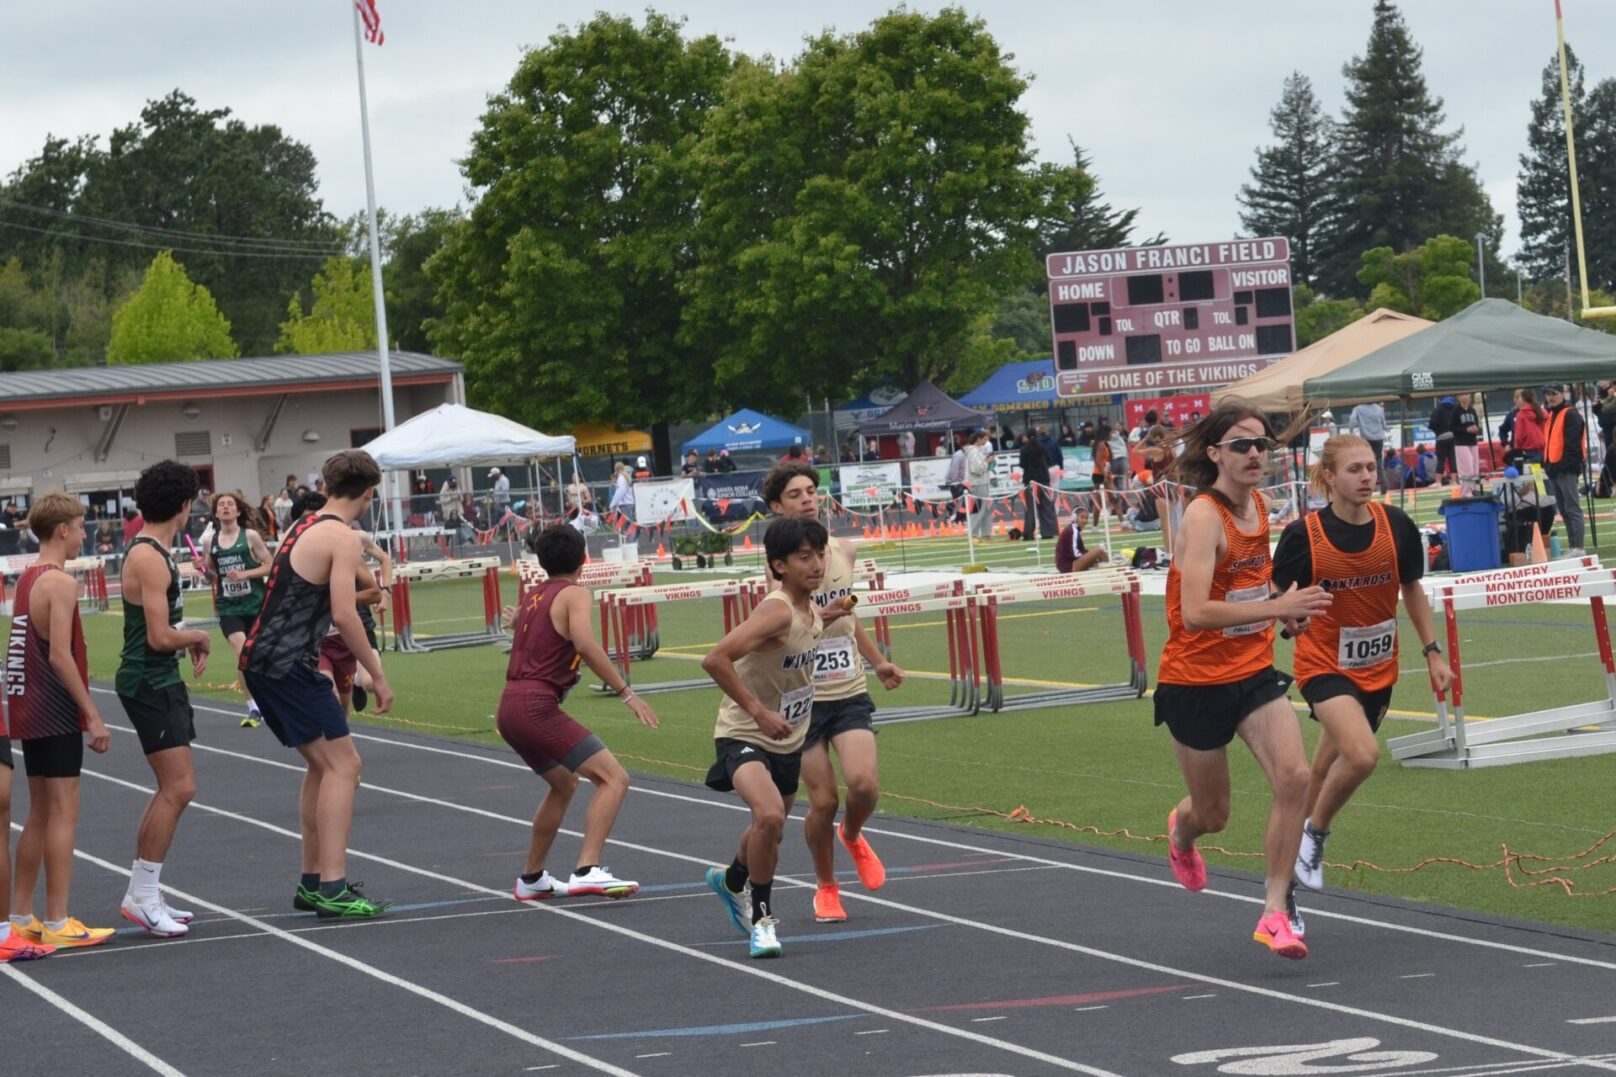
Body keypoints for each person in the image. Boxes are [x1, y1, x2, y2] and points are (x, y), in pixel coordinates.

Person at [1154, 399, 1332, 960]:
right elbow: (1197, 612)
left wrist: (1285, 611)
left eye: (1262, 444)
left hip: (1252, 671)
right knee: (1213, 815)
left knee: (1295, 777)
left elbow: (1251, 587)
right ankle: (1182, 832)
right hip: (1195, 680)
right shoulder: (1204, 516)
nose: (1256, 454)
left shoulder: (1259, 503)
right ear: (1215, 454)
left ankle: (1275, 911)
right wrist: (1279, 607)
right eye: (1242, 445)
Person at [1272, 435, 1453, 933]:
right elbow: (1278, 595)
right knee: (1363, 755)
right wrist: (1289, 617)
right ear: (1329, 477)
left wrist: (1433, 652)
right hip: (1323, 665)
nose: (1367, 477)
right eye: (1354, 469)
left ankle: (1284, 888)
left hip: (1378, 670)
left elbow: (1411, 587)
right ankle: (1315, 835)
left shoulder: (1396, 526)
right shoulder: (1304, 535)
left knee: (1321, 770)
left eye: (1371, 467)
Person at [241, 451, 395, 920]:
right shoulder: (341, 537)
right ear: (369, 494)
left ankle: (313, 882)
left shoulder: (302, 526)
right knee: (345, 765)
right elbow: (346, 615)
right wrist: (378, 674)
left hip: (267, 659)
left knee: (323, 766)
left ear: (327, 486)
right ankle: (332, 887)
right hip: (286, 664)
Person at [762, 463, 904, 923]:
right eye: (795, 494)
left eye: (811, 491)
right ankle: (826, 886)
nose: (807, 499)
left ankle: (853, 833)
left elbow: (847, 617)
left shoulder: (844, 550)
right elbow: (789, 620)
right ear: (776, 507)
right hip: (802, 698)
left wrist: (877, 660)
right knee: (822, 801)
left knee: (864, 785)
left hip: (848, 689)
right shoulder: (777, 566)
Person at [498, 524, 659, 901]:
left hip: (509, 707)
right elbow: (585, 644)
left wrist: (515, 620)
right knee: (614, 778)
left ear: (542, 561)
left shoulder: (535, 594)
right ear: (584, 558)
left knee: (564, 783)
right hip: (535, 706)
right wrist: (627, 693)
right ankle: (588, 869)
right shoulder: (575, 593)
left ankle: (532, 878)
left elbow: (536, 629)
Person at [700, 516, 827, 959]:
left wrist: (832, 613)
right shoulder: (776, 610)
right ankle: (763, 921)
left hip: (789, 739)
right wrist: (758, 711)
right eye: (804, 557)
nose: (817, 564)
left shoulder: (810, 609)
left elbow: (796, 638)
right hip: (744, 732)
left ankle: (731, 879)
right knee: (770, 816)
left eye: (820, 554)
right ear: (779, 565)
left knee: (768, 832)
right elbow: (715, 659)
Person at [5, 493, 114, 952]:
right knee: (64, 810)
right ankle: (57, 918)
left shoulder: (27, 578)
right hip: (53, 709)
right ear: (63, 529)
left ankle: (20, 915)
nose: (84, 534)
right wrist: (92, 713)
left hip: (26, 705)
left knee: (39, 811)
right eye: (81, 526)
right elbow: (59, 656)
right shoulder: (60, 582)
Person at [115, 461, 213, 938]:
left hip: (157, 678)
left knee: (170, 788)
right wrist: (197, 636)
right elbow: (157, 636)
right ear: (184, 505)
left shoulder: (154, 551)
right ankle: (144, 895)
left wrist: (184, 636)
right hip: (148, 680)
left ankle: (143, 892)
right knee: (179, 788)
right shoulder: (150, 556)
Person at [193, 491, 272, 729]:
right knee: (242, 653)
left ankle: (271, 698)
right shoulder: (210, 541)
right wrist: (202, 569)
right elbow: (211, 577)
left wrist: (246, 573)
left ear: (238, 511)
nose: (226, 507)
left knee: (260, 655)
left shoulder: (250, 536)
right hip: (229, 607)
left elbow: (271, 565)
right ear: (216, 513)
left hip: (256, 604)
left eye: (230, 504)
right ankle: (253, 707)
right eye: (221, 505)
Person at [1542, 384, 1587, 555]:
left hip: (1565, 470)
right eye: (1547, 394)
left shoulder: (1570, 414)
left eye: (1553, 393)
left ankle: (1578, 547)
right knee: (1564, 510)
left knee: (1572, 509)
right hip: (1555, 469)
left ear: (1562, 394)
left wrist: (1561, 466)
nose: (1550, 397)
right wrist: (1548, 466)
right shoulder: (1552, 415)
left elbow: (1573, 446)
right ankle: (1573, 546)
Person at [1019, 431, 1057, 540]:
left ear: (1027, 437)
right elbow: (1050, 461)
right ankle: (1048, 532)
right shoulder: (1043, 447)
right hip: (1044, 480)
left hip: (1030, 481)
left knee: (1030, 509)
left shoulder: (1024, 449)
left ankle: (1029, 533)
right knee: (1046, 507)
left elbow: (1022, 464)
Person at [1348, 401, 1387, 490]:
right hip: (1378, 439)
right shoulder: (1379, 408)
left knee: (1367, 464)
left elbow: (1352, 421)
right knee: (1378, 463)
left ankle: (1371, 487)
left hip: (1366, 439)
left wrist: (1351, 431)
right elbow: (1384, 424)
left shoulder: (1358, 408)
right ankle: (1384, 486)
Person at [964, 429, 994, 539]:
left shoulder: (977, 451)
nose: (986, 442)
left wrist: (988, 462)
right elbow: (976, 469)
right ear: (978, 439)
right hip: (978, 484)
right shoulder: (973, 452)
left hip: (982, 482)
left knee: (986, 510)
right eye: (985, 439)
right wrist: (987, 462)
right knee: (979, 510)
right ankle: (973, 534)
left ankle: (986, 533)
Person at [1056, 509, 1106, 573]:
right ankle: (1110, 569)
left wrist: (1090, 557)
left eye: (1086, 518)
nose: (1085, 520)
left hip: (1068, 564)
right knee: (1099, 551)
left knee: (1097, 555)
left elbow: (1080, 550)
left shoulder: (1073, 529)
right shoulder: (1072, 531)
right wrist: (1089, 557)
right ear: (1075, 518)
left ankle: (1108, 568)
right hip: (1068, 566)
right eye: (1082, 517)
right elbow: (1075, 554)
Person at [1428, 395, 1459, 485]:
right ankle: (1454, 481)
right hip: (1453, 436)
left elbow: (1432, 424)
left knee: (1441, 460)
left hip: (1441, 437)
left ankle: (1438, 481)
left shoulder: (1438, 409)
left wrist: (1437, 430)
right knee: (1452, 459)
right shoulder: (1455, 409)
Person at [1512, 388, 1547, 466]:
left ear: (1523, 399)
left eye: (1519, 397)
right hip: (1546, 450)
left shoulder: (1521, 415)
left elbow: (1519, 437)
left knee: (1534, 473)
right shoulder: (1543, 412)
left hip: (1529, 451)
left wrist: (1517, 448)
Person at [1452, 393, 1481, 483]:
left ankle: (1474, 488)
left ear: (1469, 397)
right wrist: (1466, 430)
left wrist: (1476, 428)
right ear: (1458, 397)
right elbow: (1451, 427)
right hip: (1461, 443)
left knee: (1475, 470)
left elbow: (1476, 424)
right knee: (1467, 469)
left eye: (1466, 394)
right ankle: (1466, 490)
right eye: (1462, 395)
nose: (1464, 397)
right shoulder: (1455, 411)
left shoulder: (1472, 410)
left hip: (1473, 442)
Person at [945, 434, 968, 523]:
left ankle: (959, 518)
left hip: (959, 481)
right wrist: (955, 483)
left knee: (961, 500)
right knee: (957, 500)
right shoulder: (959, 455)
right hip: (955, 482)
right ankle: (950, 517)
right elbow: (954, 469)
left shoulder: (963, 455)